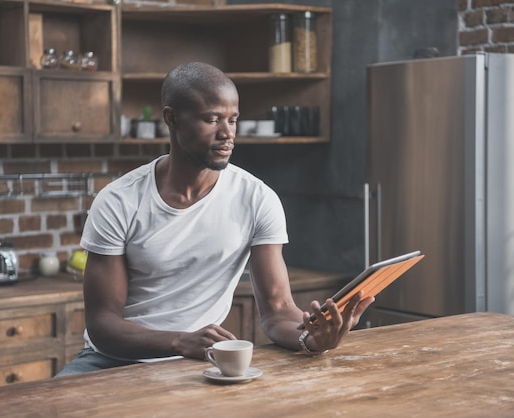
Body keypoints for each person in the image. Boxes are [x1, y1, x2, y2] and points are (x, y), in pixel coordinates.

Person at [56, 62, 374, 376]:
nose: (227, 134)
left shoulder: (257, 199)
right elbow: (102, 326)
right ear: (172, 118)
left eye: (232, 120)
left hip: (197, 366)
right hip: (111, 362)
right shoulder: (119, 200)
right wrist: (180, 341)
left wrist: (310, 338)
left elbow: (278, 312)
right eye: (212, 119)